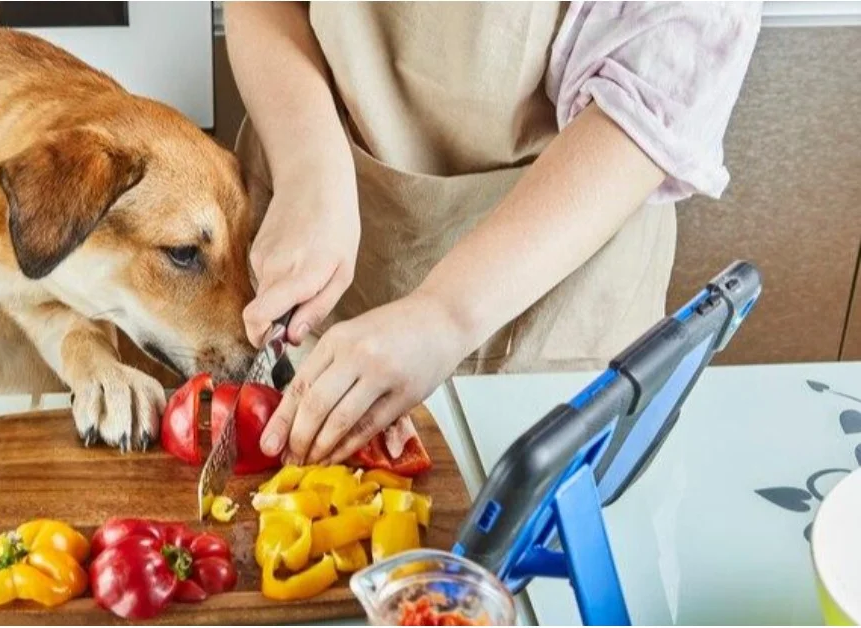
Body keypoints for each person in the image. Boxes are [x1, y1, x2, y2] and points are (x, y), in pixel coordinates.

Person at [225, 2, 762, 465]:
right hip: (325, 224)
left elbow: (647, 109)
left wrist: (443, 313)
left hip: (557, 290)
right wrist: (309, 172)